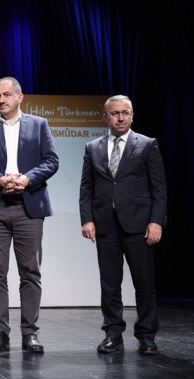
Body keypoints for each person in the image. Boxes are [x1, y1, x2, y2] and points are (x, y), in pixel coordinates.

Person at [0, 77, 59, 353]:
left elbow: (51, 161)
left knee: (30, 273)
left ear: (20, 97)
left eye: (7, 94)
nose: (1, 99)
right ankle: (0, 332)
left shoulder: (39, 124)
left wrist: (26, 179)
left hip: (28, 206)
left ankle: (30, 333)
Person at [79, 95, 166, 355]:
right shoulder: (93, 147)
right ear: (105, 117)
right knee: (110, 282)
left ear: (132, 115)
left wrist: (156, 221)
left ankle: (147, 335)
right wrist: (87, 219)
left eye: (125, 113)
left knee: (144, 282)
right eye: (115, 113)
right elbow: (87, 188)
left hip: (139, 224)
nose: (120, 117)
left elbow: (159, 189)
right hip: (106, 224)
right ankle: (113, 334)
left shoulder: (147, 145)